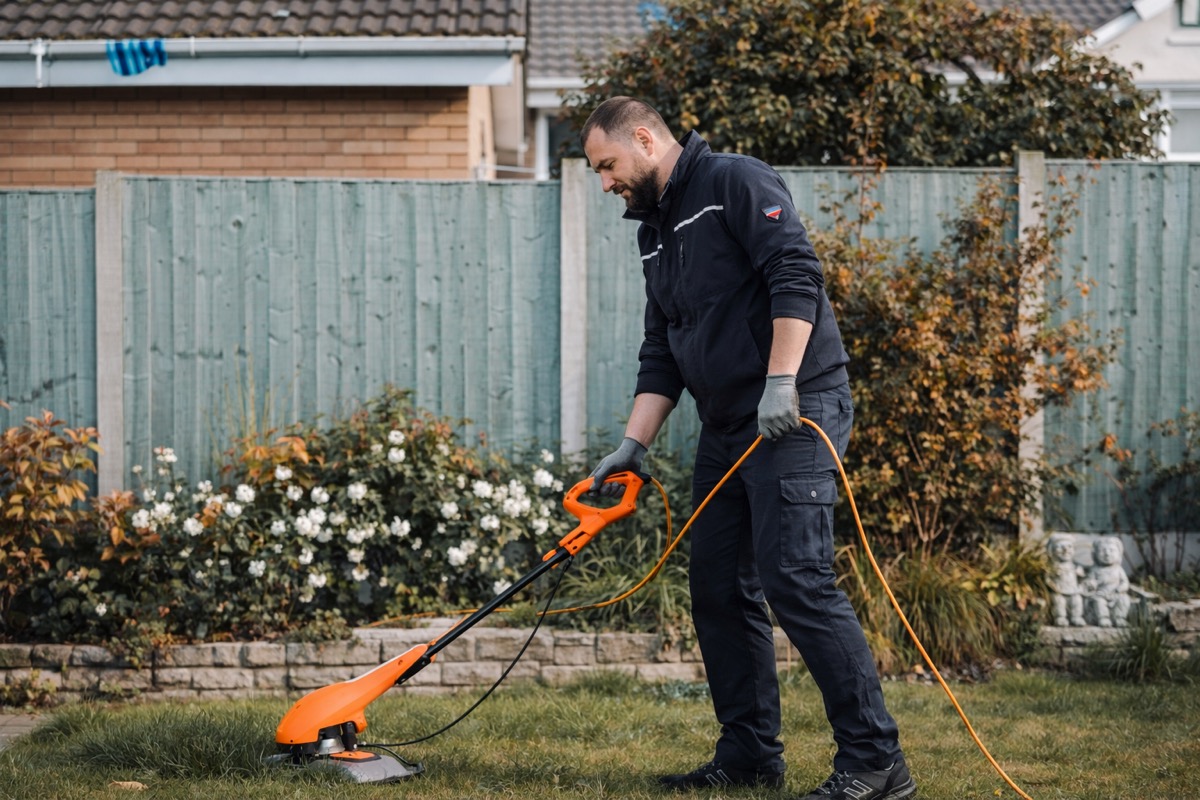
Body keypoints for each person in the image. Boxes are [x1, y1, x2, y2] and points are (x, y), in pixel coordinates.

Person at [580, 97, 914, 800]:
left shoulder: (737, 181)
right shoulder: (655, 230)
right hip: (729, 423)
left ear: (644, 139)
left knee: (795, 575)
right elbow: (661, 346)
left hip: (797, 406)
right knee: (719, 589)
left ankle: (876, 761)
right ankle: (751, 755)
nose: (604, 181)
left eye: (607, 165)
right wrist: (631, 445)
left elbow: (796, 274)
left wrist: (782, 380)